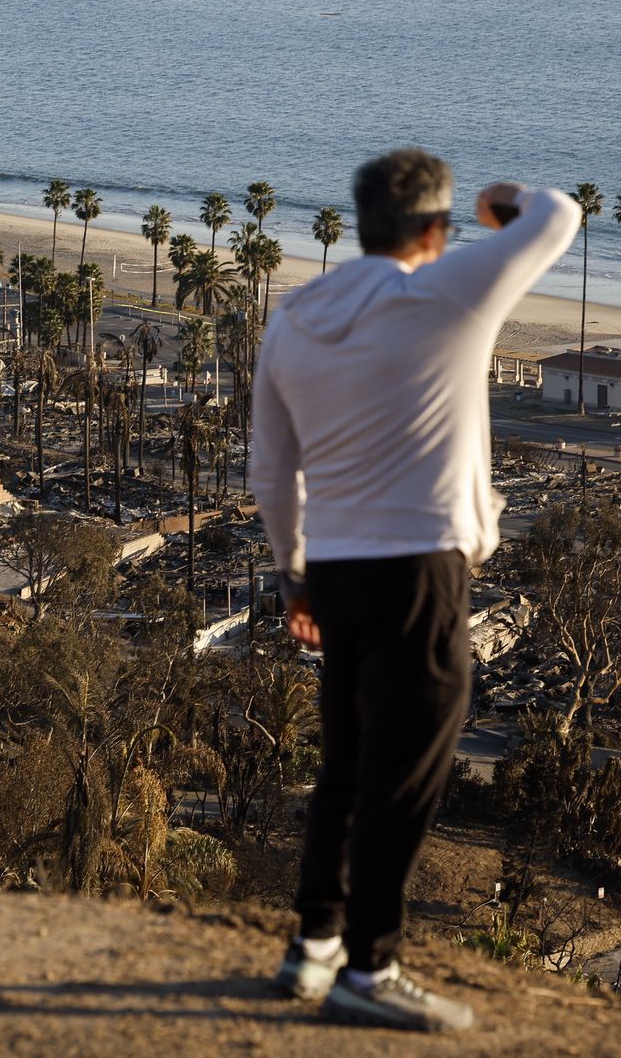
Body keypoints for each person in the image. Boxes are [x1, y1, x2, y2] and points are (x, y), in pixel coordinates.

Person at [252, 148, 580, 1032]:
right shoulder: (449, 292)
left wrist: (294, 577)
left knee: (348, 765)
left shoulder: (294, 318)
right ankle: (371, 966)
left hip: (336, 572)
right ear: (435, 232)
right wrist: (498, 199)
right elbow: (557, 215)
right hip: (422, 571)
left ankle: (314, 945)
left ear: (360, 227)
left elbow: (272, 474)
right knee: (407, 775)